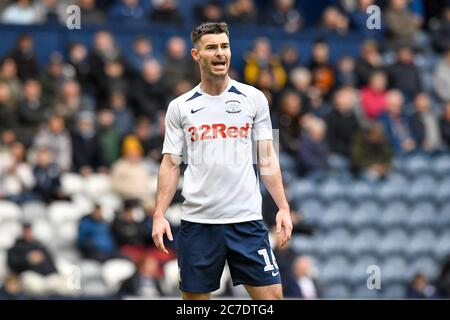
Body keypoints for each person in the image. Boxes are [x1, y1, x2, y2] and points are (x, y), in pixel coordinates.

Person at [151, 22, 292, 300]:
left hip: (246, 221)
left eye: (224, 46)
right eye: (212, 47)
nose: (220, 53)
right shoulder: (180, 106)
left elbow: (267, 156)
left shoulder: (254, 98)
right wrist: (159, 214)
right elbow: (170, 163)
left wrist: (283, 206)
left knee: (273, 297)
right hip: (198, 223)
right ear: (196, 55)